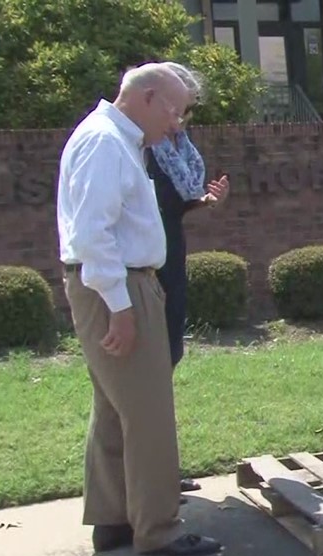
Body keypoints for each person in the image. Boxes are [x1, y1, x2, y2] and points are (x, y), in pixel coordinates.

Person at [57, 62, 221, 556]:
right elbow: (93, 234)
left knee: (115, 408)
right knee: (149, 412)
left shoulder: (117, 140)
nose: (176, 124)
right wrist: (121, 307)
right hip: (118, 285)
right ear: (147, 97)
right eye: (174, 111)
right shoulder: (105, 142)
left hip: (117, 283)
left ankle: (113, 518)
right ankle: (158, 528)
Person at [145, 62, 231, 498]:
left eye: (189, 111)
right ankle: (152, 475)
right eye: (180, 109)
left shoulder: (179, 149)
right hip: (145, 267)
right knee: (148, 372)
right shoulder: (144, 149)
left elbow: (174, 207)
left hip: (170, 256)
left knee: (169, 357)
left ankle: (161, 468)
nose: (183, 119)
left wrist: (204, 201)